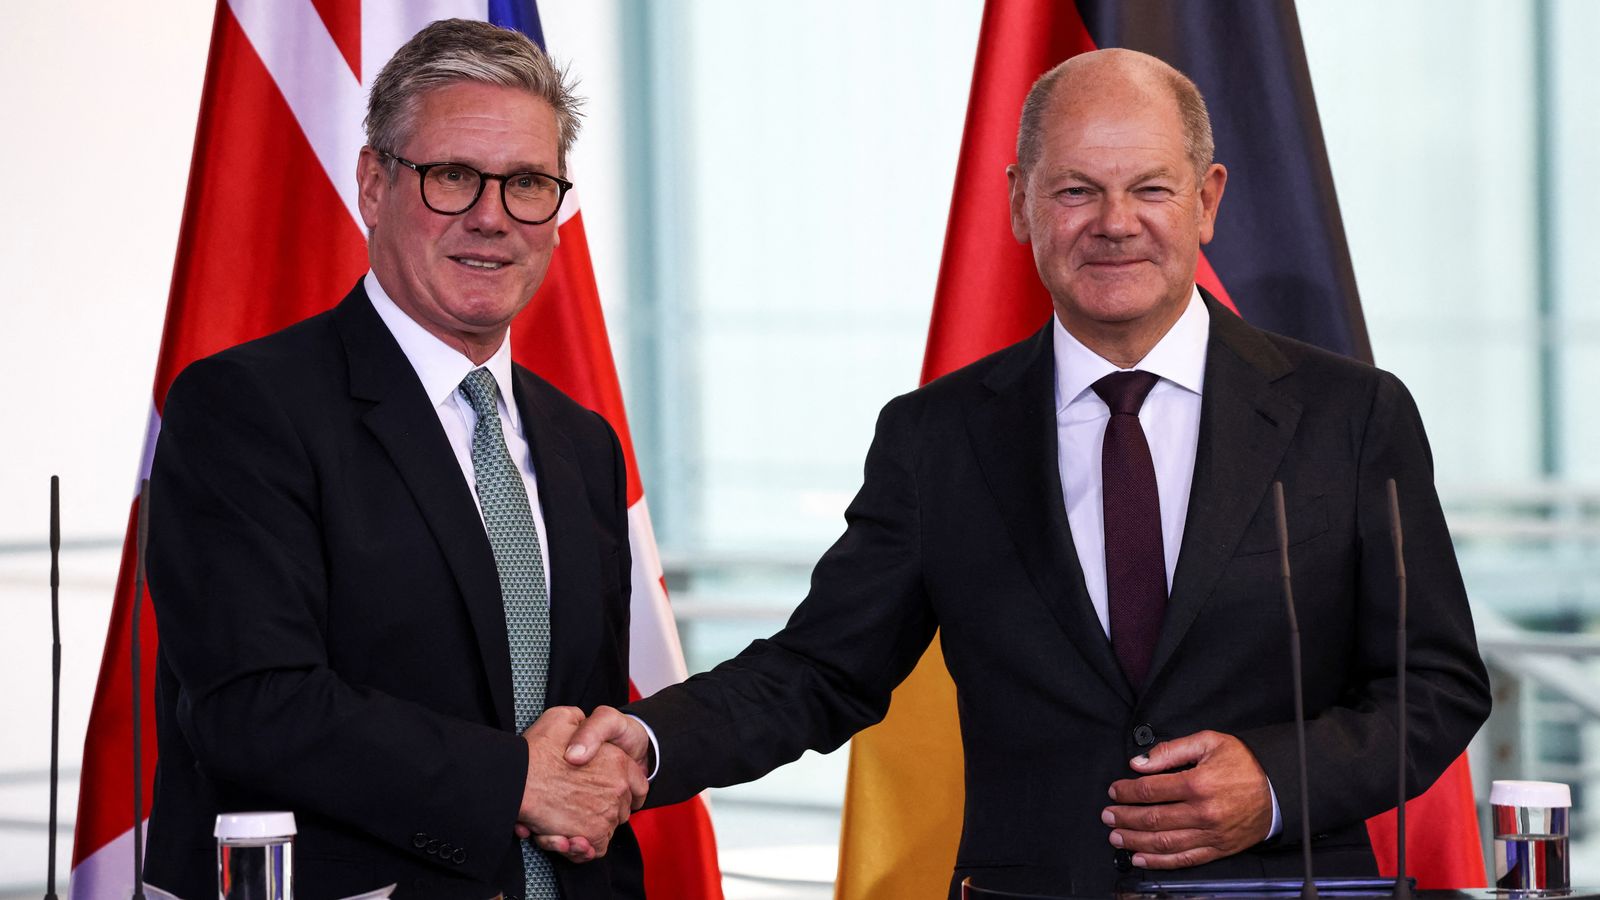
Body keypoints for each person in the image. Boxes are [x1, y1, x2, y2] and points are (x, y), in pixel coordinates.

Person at [559, 48, 1491, 897]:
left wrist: (1278, 783)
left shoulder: (1352, 416)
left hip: (1283, 888)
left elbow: (1437, 684)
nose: (1115, 225)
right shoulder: (938, 437)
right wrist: (642, 745)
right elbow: (818, 671)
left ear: (1207, 199)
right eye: (1077, 190)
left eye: (1151, 190)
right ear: (1018, 201)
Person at [144, 19, 646, 900]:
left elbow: (576, 724)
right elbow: (254, 708)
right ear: (374, 185)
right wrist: (510, 782)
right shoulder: (245, 408)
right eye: (453, 176)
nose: (492, 217)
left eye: (528, 183)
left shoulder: (584, 445)